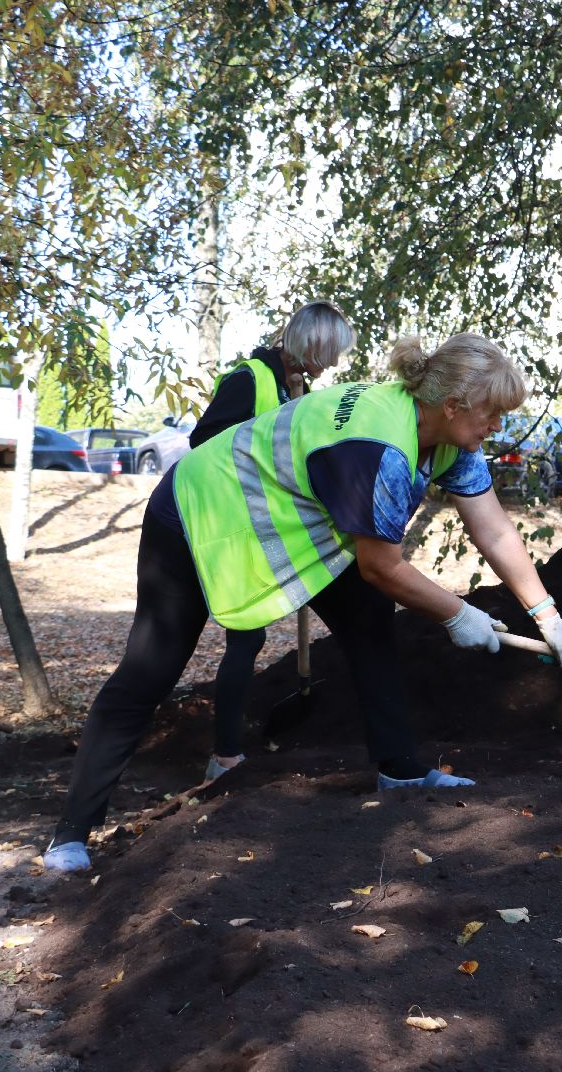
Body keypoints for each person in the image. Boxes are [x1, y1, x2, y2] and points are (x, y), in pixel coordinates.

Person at [42, 331, 562, 873]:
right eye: (491, 415)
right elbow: (382, 566)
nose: (497, 427)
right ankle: (70, 833)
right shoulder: (378, 449)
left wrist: (547, 615)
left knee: (369, 620)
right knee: (150, 670)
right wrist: (459, 614)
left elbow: (492, 528)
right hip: (198, 513)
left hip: (294, 525)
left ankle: (400, 770)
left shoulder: (443, 434)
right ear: (451, 405)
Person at [188, 302, 356, 785]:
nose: (336, 363)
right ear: (310, 345)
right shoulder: (250, 378)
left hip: (263, 532)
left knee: (249, 635)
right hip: (224, 529)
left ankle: (227, 753)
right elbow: (205, 443)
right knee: (245, 636)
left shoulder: (295, 388)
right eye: (331, 353)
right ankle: (223, 758)